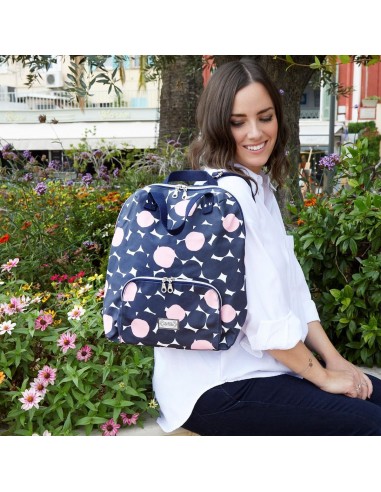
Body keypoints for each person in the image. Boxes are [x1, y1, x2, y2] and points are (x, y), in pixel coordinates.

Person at [152, 59, 381, 436]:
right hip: (217, 388)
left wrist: (337, 361)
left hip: (253, 372)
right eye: (237, 121)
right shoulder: (230, 196)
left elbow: (292, 290)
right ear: (217, 125)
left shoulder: (256, 186)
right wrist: (324, 378)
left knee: (373, 394)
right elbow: (266, 326)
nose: (255, 133)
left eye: (265, 116)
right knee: (372, 424)